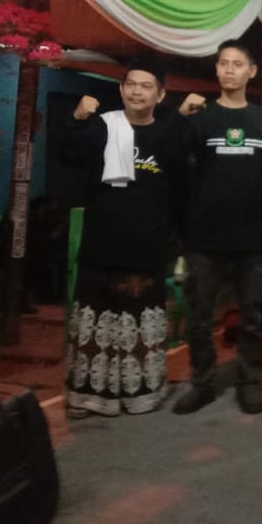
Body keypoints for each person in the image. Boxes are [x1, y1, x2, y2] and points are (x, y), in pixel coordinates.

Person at [61, 58, 186, 418]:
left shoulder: (168, 137)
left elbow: (181, 192)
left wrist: (175, 242)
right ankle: (89, 397)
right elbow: (67, 155)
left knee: (138, 321)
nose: (136, 91)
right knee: (95, 321)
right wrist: (76, 118)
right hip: (100, 244)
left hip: (146, 247)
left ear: (160, 95)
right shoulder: (102, 126)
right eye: (131, 84)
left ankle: (139, 395)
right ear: (121, 89)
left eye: (146, 86)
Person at [171, 39, 262, 416]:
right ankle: (202, 384)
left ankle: (249, 385)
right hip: (204, 235)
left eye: (237, 63)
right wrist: (179, 116)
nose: (229, 69)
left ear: (252, 71)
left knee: (252, 319)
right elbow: (172, 158)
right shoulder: (200, 116)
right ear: (216, 69)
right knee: (200, 319)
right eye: (223, 63)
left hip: (252, 235)